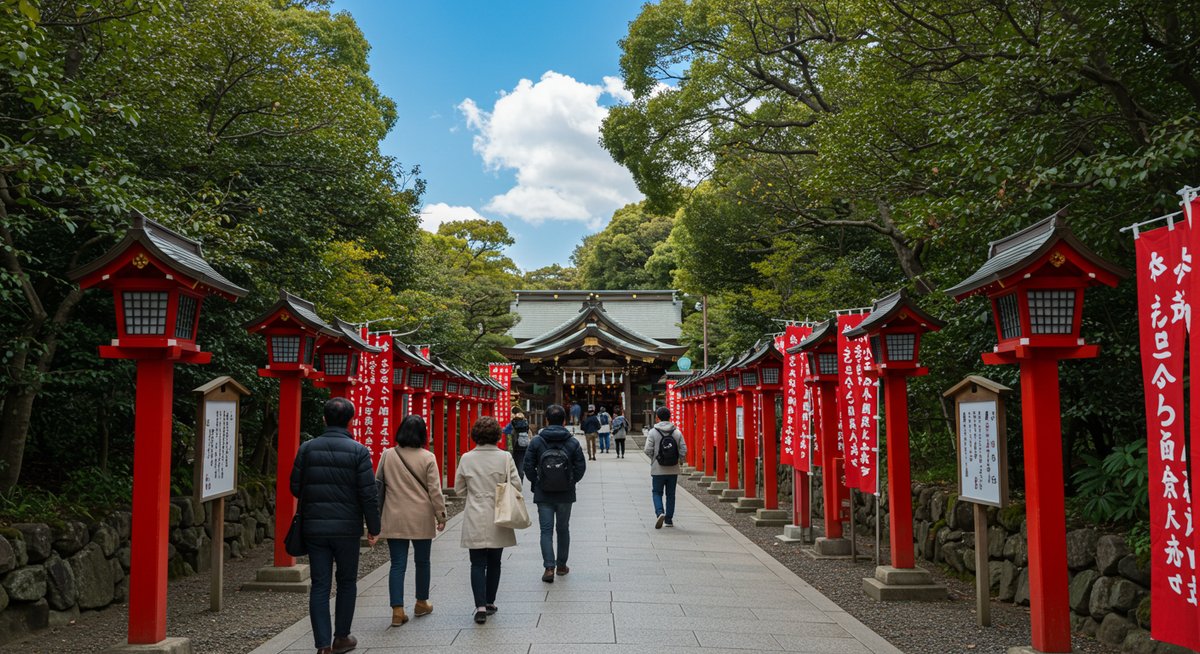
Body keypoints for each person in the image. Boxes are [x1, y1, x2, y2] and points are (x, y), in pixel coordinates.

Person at [290, 397, 380, 654]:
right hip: (347, 528)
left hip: (315, 527)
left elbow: (295, 486)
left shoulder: (307, 449)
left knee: (320, 584)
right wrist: (373, 527)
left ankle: (322, 645)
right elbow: (368, 494)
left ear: (324, 419)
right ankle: (341, 637)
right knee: (347, 581)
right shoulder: (359, 451)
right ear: (351, 420)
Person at [376, 415, 447, 627]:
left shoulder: (388, 454)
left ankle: (397, 610)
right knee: (422, 561)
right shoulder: (428, 457)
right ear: (423, 434)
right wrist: (441, 515)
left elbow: (379, 483)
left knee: (397, 563)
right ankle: (421, 602)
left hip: (394, 514)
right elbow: (435, 490)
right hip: (420, 516)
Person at [455, 416, 522, 624]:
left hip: (475, 513)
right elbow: (517, 485)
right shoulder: (504, 457)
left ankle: (480, 606)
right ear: (496, 435)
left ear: (475, 435)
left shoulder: (466, 458)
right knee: (495, 561)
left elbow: (458, 490)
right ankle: (490, 601)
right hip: (498, 513)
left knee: (477, 563)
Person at [523, 404, 587, 583]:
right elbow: (581, 466)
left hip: (543, 492)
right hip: (565, 493)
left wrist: (536, 482)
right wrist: (571, 481)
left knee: (545, 530)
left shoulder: (537, 441)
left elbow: (528, 465)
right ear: (564, 421)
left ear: (546, 420)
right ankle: (561, 565)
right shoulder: (572, 441)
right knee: (563, 528)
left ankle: (548, 567)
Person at [644, 405, 688, 529]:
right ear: (669, 417)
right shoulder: (676, 432)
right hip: (673, 468)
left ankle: (660, 513)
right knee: (671, 494)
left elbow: (647, 449)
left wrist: (654, 459)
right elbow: (684, 449)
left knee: (657, 492)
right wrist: (680, 460)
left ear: (657, 418)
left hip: (658, 469)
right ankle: (668, 519)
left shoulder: (653, 432)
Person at [502, 406, 531, 482]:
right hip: (523, 448)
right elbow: (529, 434)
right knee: (520, 466)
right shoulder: (525, 422)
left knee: (511, 466)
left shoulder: (513, 422)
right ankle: (520, 481)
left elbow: (505, 431)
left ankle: (513, 482)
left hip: (514, 447)